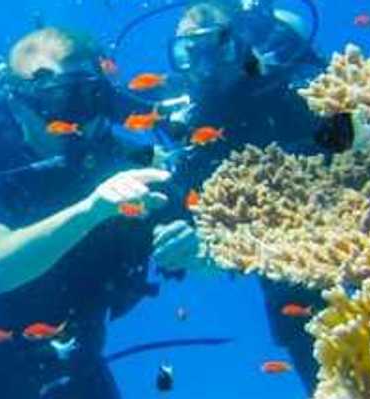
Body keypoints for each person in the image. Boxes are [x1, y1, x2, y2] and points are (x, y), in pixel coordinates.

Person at [0, 27, 200, 399]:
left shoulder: (117, 164)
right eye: (65, 101)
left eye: (92, 98)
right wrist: (92, 210)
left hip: (82, 370)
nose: (81, 121)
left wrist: (193, 250)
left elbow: (211, 258)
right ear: (20, 102)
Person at [142, 0, 327, 394]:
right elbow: (183, 216)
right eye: (189, 53)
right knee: (310, 340)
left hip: (341, 226)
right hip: (282, 271)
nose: (205, 66)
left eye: (217, 48)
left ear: (241, 46)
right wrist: (190, 246)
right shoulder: (182, 118)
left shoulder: (283, 88)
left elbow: (347, 143)